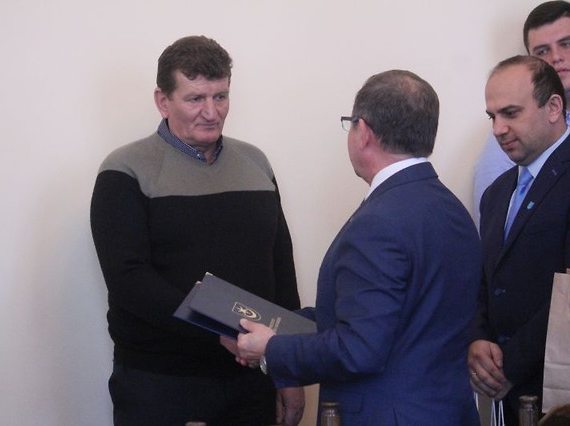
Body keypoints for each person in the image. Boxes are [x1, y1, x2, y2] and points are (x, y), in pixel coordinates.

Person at [232, 70, 482, 425]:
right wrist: (280, 325)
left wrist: (271, 349)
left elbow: (358, 349)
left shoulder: (377, 222)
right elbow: (394, 317)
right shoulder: (453, 210)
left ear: (363, 132)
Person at [90, 35, 305, 426]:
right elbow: (129, 281)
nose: (211, 112)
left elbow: (280, 266)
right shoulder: (125, 170)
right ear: (163, 101)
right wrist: (218, 333)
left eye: (220, 96)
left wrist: (288, 367)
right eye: (195, 99)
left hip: (252, 380)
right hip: (161, 383)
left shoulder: (256, 163)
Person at [468, 55, 570, 424]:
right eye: (492, 116)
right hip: (507, 398)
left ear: (553, 107)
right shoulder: (496, 193)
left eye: (510, 113)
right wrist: (477, 339)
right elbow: (485, 279)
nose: (499, 129)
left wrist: (509, 365)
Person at [473, 1, 570, 227]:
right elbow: (494, 227)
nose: (556, 57)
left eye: (566, 44)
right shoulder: (508, 135)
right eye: (542, 51)